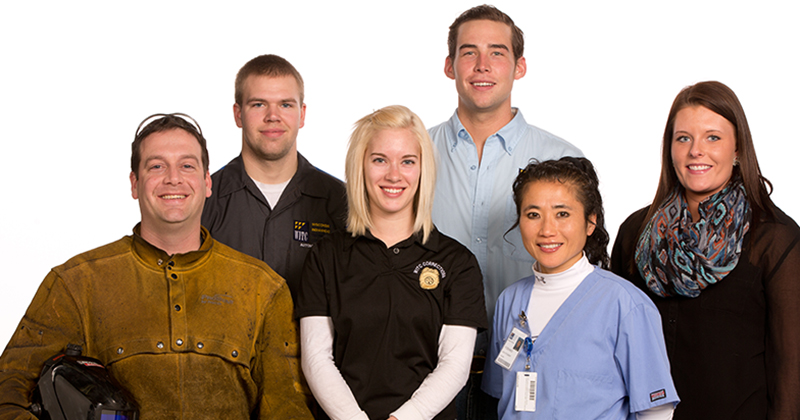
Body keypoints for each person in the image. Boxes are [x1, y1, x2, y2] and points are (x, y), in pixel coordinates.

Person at [0, 114, 312, 419]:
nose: (173, 178)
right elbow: (7, 390)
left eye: (187, 166)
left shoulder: (262, 288)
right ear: (135, 183)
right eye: (156, 166)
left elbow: (287, 406)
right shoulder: (76, 283)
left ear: (207, 183)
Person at [611, 81, 800, 419]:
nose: (696, 150)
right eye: (683, 138)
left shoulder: (773, 239)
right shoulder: (636, 233)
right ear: (670, 148)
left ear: (738, 148)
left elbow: (792, 370)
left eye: (713, 137)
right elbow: (613, 347)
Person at [428, 5, 583, 417]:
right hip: (428, 368)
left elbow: (585, 275)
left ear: (520, 66)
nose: (482, 66)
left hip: (534, 367)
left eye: (497, 52)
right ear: (449, 65)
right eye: (468, 52)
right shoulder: (413, 157)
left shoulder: (563, 160)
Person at [297, 105, 488, 420]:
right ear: (360, 166)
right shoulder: (325, 256)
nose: (394, 175)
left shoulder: (457, 263)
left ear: (423, 169)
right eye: (379, 160)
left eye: (408, 161)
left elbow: (454, 365)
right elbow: (317, 359)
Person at [483, 157, 678, 419]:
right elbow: (500, 397)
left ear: (590, 222)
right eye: (533, 215)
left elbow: (656, 411)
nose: (547, 229)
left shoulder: (625, 305)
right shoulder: (510, 301)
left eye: (562, 214)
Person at [202, 54, 347, 302]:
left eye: (285, 105)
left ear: (302, 115)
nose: (273, 116)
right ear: (238, 114)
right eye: (258, 104)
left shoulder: (342, 202)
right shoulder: (204, 200)